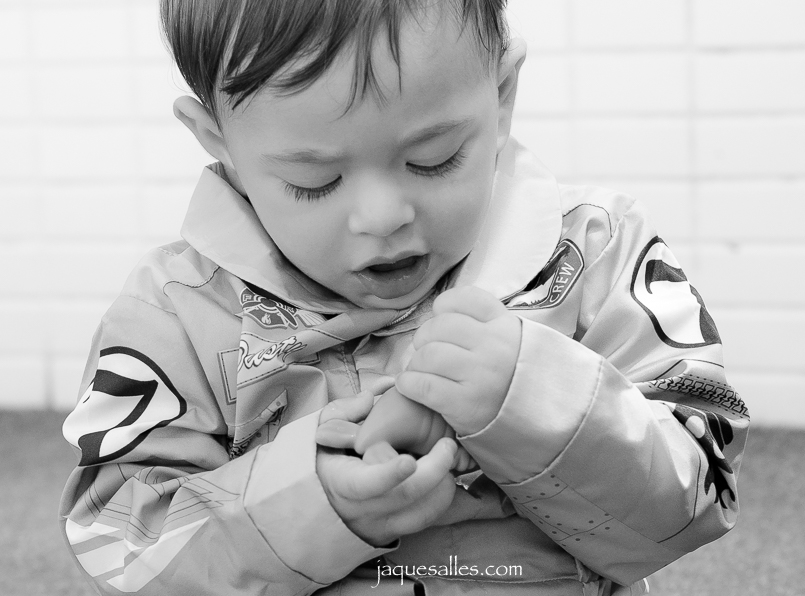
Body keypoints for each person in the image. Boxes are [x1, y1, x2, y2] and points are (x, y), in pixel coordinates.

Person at [59, 1, 749, 594]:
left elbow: (697, 494)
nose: (382, 216)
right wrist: (312, 500)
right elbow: (122, 542)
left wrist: (531, 393)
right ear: (220, 142)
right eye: (315, 181)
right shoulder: (174, 314)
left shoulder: (598, 254)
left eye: (434, 158)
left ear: (501, 95)